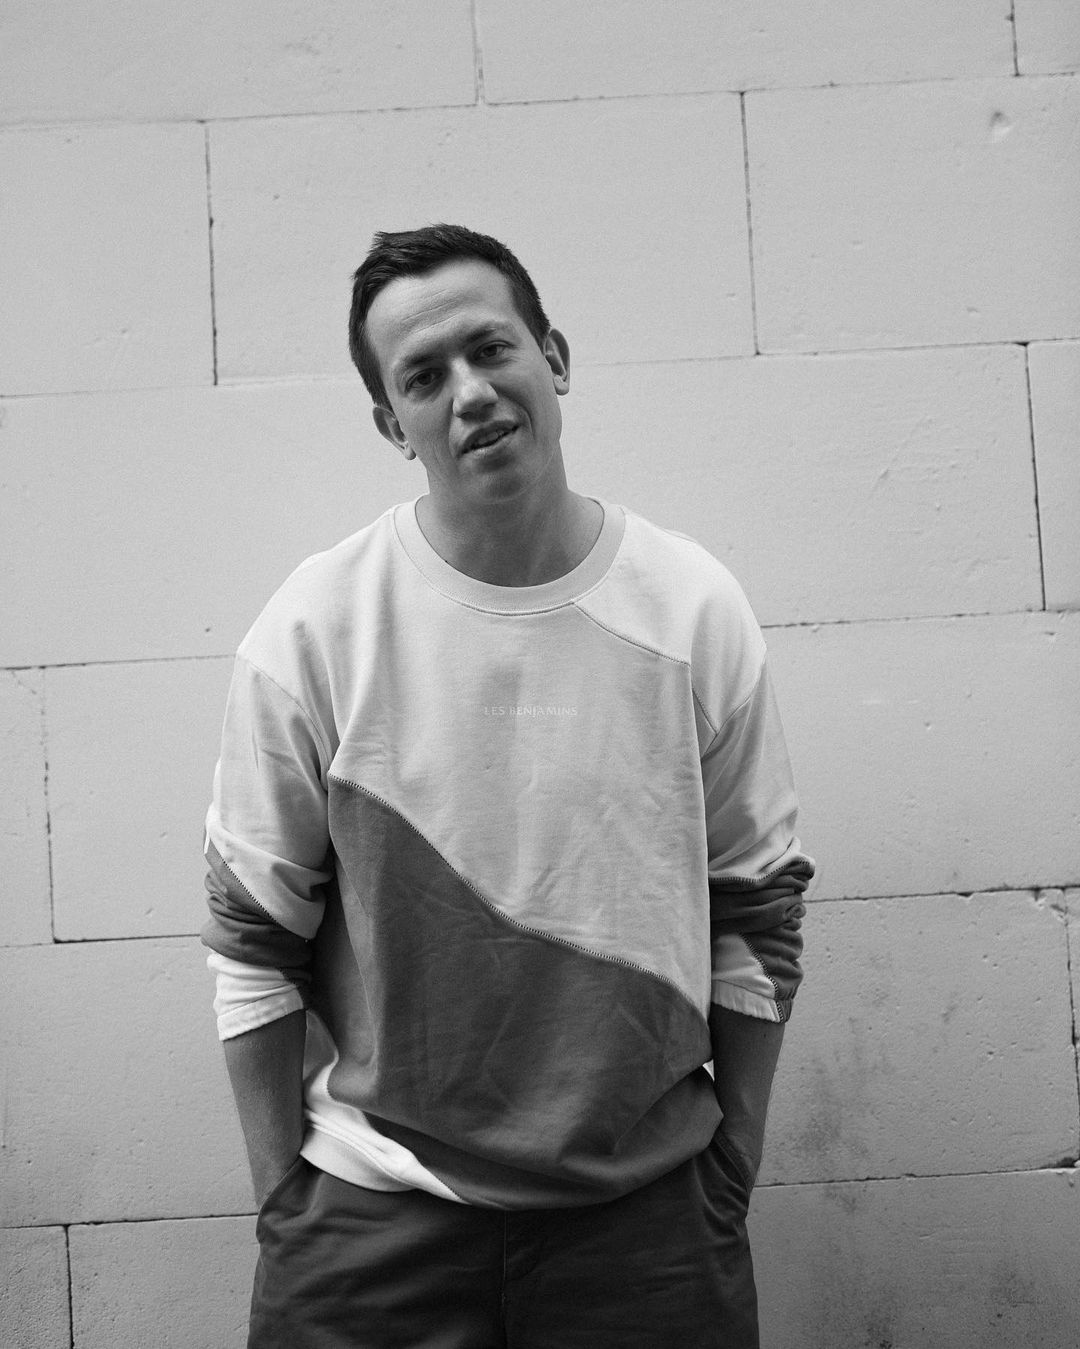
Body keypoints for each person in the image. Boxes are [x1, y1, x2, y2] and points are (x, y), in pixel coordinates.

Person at [202, 223, 813, 1349]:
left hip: (648, 1231)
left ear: (555, 358)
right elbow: (252, 937)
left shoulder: (691, 606)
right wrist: (286, 1206)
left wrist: (730, 1170)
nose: (471, 392)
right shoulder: (316, 627)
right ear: (392, 424)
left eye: (492, 349)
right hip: (368, 1231)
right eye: (424, 377)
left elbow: (757, 909)